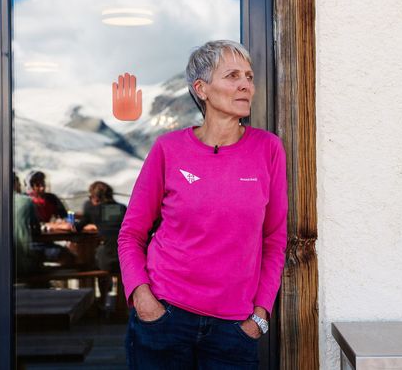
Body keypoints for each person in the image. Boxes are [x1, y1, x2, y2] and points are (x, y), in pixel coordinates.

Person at [118, 40, 288, 369]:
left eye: (249, 77)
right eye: (233, 75)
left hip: (234, 329)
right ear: (202, 89)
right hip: (164, 318)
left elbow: (274, 239)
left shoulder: (268, 149)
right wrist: (142, 296)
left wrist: (260, 315)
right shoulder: (168, 149)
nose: (245, 85)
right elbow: (131, 233)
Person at [78, 181, 127, 304]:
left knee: (92, 262)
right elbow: (112, 224)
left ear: (95, 197)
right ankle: (120, 305)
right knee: (105, 253)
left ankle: (100, 302)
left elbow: (76, 227)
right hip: (124, 259)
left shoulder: (93, 210)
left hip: (108, 261)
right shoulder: (122, 208)